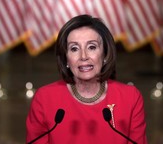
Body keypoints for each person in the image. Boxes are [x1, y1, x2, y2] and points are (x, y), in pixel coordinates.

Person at [26, 14, 148, 144]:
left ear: (105, 54)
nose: (83, 56)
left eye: (92, 47)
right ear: (66, 58)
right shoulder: (45, 99)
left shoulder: (130, 98)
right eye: (74, 48)